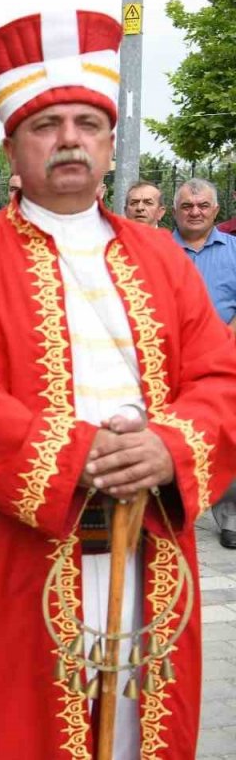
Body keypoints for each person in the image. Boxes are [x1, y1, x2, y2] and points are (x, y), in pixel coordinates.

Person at [0, 9, 236, 759]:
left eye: (88, 123)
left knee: (134, 731)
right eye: (47, 124)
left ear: (109, 141)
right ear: (12, 146)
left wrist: (169, 449)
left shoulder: (162, 258)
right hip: (19, 559)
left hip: (149, 548)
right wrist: (76, 456)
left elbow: (219, 376)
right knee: (15, 725)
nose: (70, 139)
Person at [171, 177, 236, 549]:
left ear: (216, 210)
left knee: (227, 433)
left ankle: (230, 515)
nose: (195, 212)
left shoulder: (234, 250)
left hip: (224, 358)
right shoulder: (157, 250)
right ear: (175, 210)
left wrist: (223, 344)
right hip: (168, 359)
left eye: (202, 206)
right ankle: (171, 506)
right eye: (187, 206)